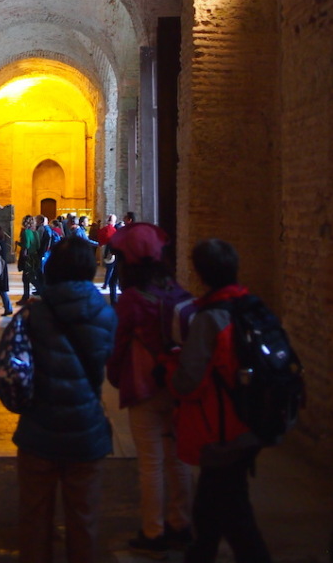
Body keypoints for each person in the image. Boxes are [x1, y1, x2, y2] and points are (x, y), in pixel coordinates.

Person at [166, 238, 272, 563]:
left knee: (232, 512)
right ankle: (200, 554)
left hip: (223, 426)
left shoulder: (209, 318)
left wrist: (169, 369)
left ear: (200, 273)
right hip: (254, 417)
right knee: (212, 505)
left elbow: (188, 380)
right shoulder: (254, 306)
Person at [12, 237, 117, 563]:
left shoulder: (32, 315)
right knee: (83, 520)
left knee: (34, 520)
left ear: (52, 269)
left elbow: (8, 369)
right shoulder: (105, 314)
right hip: (86, 428)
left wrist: (21, 404)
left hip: (38, 428)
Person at [106, 222, 194, 558]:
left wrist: (115, 375)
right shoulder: (176, 291)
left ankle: (153, 530)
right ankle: (180, 523)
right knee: (178, 458)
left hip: (144, 387)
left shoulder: (131, 300)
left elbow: (119, 345)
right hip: (176, 385)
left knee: (151, 462)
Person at [17, 214, 42, 304]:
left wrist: (20, 244)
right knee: (32, 276)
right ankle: (28, 296)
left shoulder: (26, 232)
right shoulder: (35, 232)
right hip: (34, 256)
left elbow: (26, 245)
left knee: (27, 278)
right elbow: (38, 245)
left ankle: (26, 297)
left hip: (27, 257)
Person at [98, 214, 118, 303]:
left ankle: (106, 284)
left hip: (108, 252)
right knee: (111, 271)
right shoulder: (113, 230)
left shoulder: (105, 229)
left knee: (109, 270)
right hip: (112, 253)